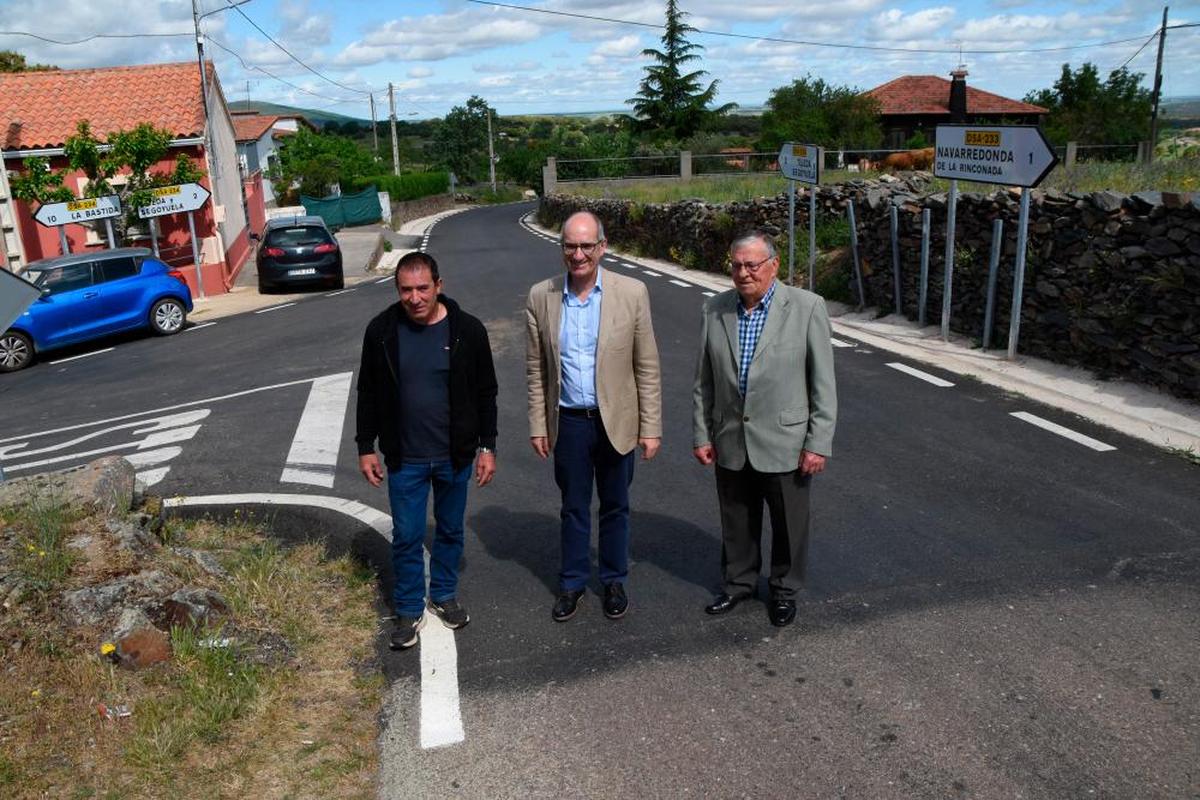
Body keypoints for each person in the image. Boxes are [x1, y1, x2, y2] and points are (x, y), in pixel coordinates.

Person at [691, 231, 837, 627]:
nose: (743, 273)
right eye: (736, 265)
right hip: (731, 436)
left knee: (789, 522)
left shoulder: (807, 307)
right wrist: (702, 434)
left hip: (787, 439)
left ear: (773, 266)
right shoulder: (715, 309)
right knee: (736, 518)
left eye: (752, 265)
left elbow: (823, 382)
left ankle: (785, 590)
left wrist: (817, 443)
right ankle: (738, 583)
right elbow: (704, 380)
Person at [356, 251, 498, 650]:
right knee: (407, 534)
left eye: (422, 288)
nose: (415, 298)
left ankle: (444, 595)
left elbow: (487, 394)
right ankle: (407, 608)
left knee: (450, 529)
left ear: (439, 285)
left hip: (455, 454)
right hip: (406, 457)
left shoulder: (467, 331)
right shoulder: (381, 331)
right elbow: (367, 392)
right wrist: (365, 446)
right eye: (406, 290)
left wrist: (488, 446)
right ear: (397, 290)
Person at [526, 210, 662, 622]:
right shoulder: (540, 296)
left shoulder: (632, 293)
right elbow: (536, 370)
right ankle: (571, 583)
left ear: (602, 247)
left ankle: (614, 579)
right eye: (571, 245)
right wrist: (537, 424)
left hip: (616, 418)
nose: (579, 254)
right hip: (568, 420)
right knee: (573, 505)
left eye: (587, 245)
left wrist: (651, 427)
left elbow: (647, 365)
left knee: (616, 504)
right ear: (561, 248)